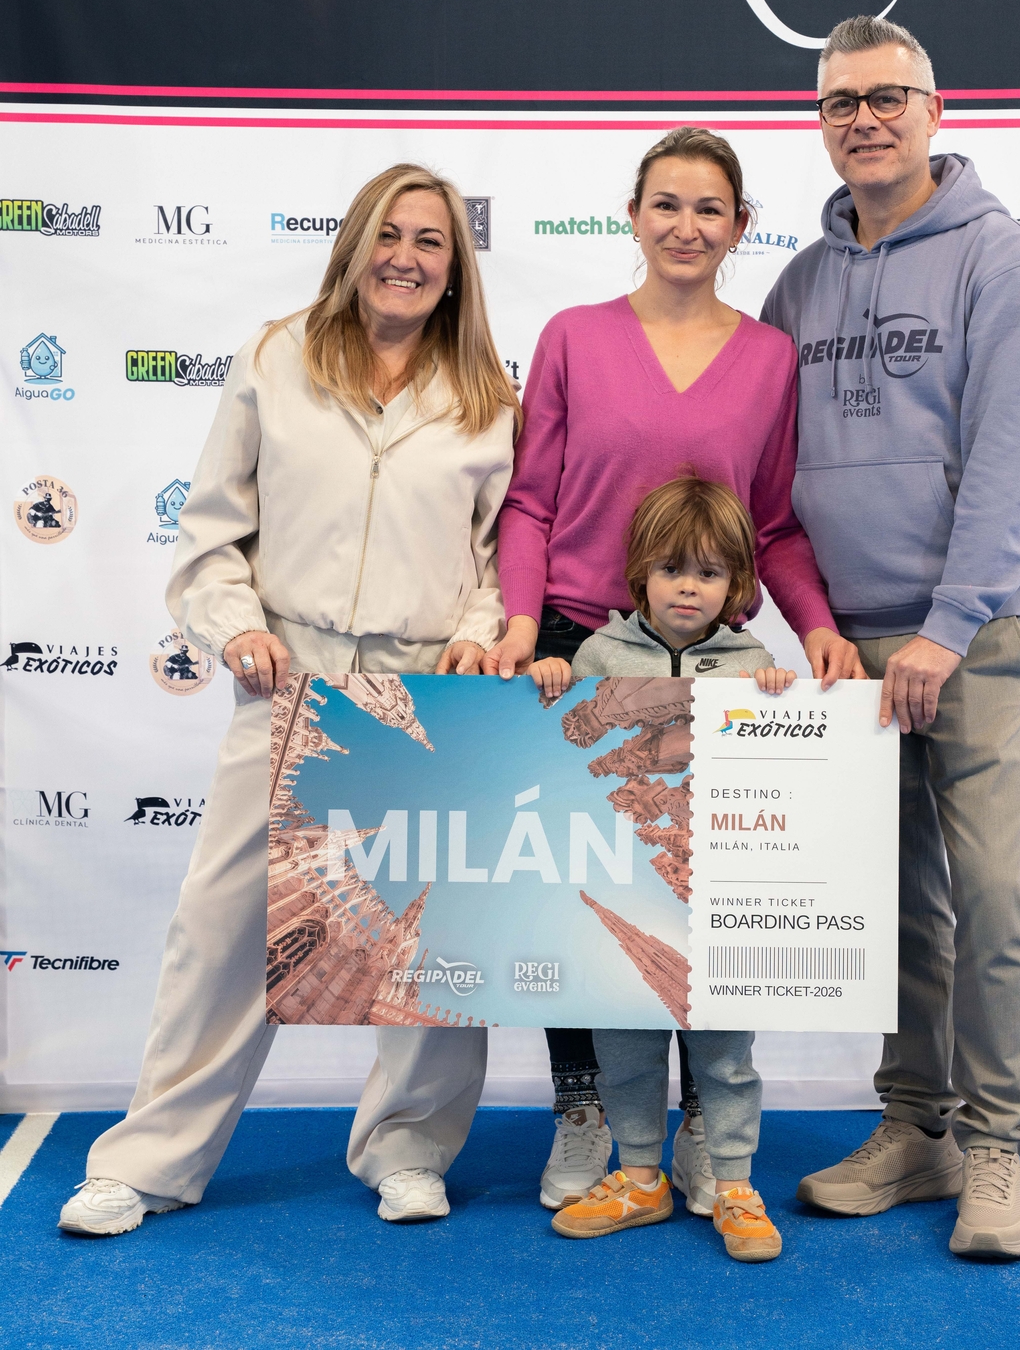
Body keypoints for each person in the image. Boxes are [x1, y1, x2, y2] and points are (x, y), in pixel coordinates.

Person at [58, 163, 519, 1236]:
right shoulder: (276, 356)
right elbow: (211, 532)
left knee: (424, 936)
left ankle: (409, 1148)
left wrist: (474, 631)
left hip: (424, 690)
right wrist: (236, 626)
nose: (406, 257)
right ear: (353, 247)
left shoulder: (488, 396)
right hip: (290, 677)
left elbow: (501, 555)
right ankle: (149, 1159)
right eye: (388, 234)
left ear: (455, 270)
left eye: (431, 242)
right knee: (222, 932)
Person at [484, 127, 861, 1213]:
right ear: (633, 215)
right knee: (585, 899)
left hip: (716, 667)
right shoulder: (573, 335)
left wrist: (817, 626)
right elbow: (530, 502)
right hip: (579, 647)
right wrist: (523, 625)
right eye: (666, 203)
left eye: (709, 208)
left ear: (740, 226)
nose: (686, 226)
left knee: (706, 902)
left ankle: (702, 1127)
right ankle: (584, 1105)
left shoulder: (771, 358)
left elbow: (774, 523)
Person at [760, 15, 1020, 1260]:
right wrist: (816, 625)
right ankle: (915, 1125)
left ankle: (994, 1144)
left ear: (934, 111)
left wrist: (947, 625)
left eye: (887, 96)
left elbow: (1010, 460)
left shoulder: (1001, 259)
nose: (865, 120)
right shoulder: (798, 283)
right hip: (849, 648)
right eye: (841, 102)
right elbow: (772, 478)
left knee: (993, 895)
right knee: (889, 905)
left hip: (972, 635)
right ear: (821, 123)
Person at [533, 476, 792, 1262]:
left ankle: (735, 1181)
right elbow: (568, 742)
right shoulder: (599, 653)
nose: (688, 586)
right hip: (626, 890)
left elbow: (782, 761)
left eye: (709, 572)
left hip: (720, 897)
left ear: (736, 584)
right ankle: (640, 1174)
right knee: (624, 1042)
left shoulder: (753, 660)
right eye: (672, 568)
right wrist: (555, 686)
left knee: (725, 1048)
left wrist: (780, 698)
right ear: (639, 573)